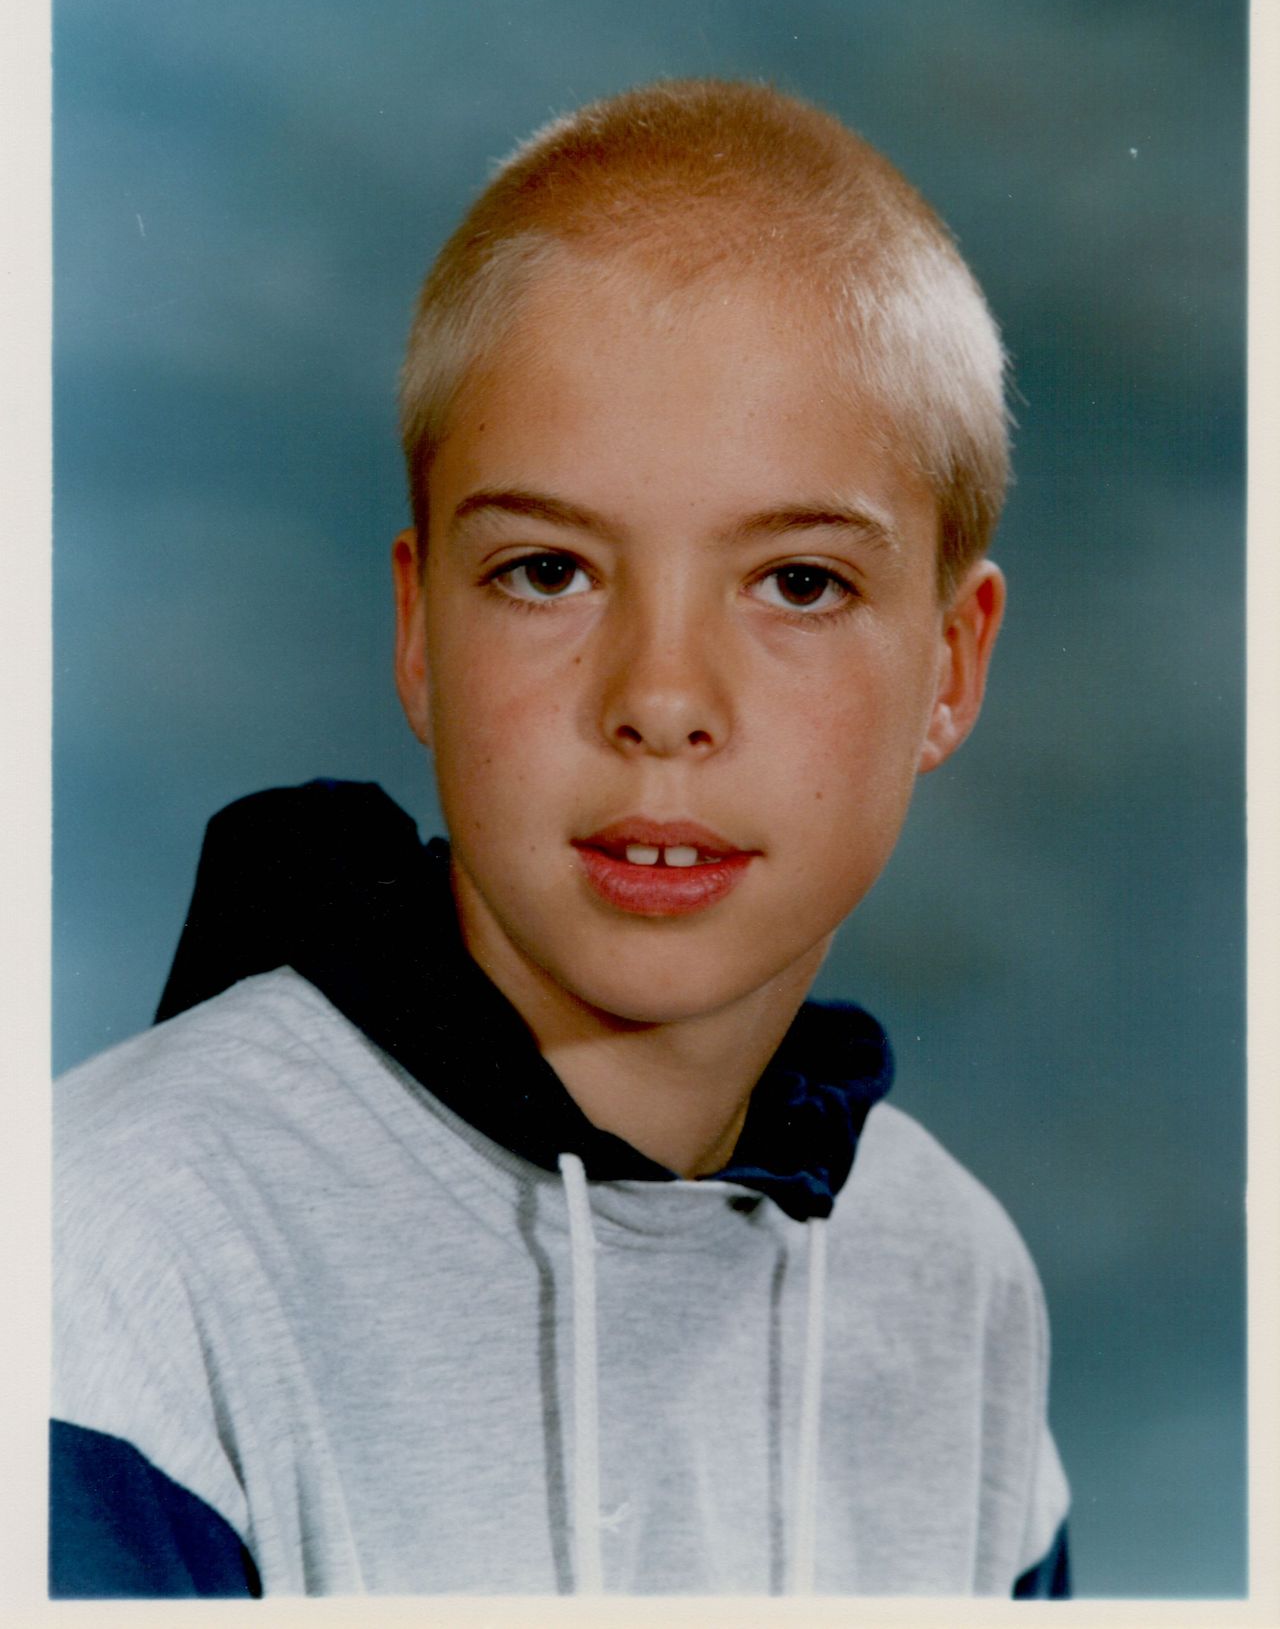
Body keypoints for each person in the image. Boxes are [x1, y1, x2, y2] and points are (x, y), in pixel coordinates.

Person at [51, 79, 1071, 1598]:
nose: (661, 699)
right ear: (417, 631)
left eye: (798, 583)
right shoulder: (107, 1254)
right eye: (547, 570)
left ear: (953, 665)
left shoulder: (950, 1276)